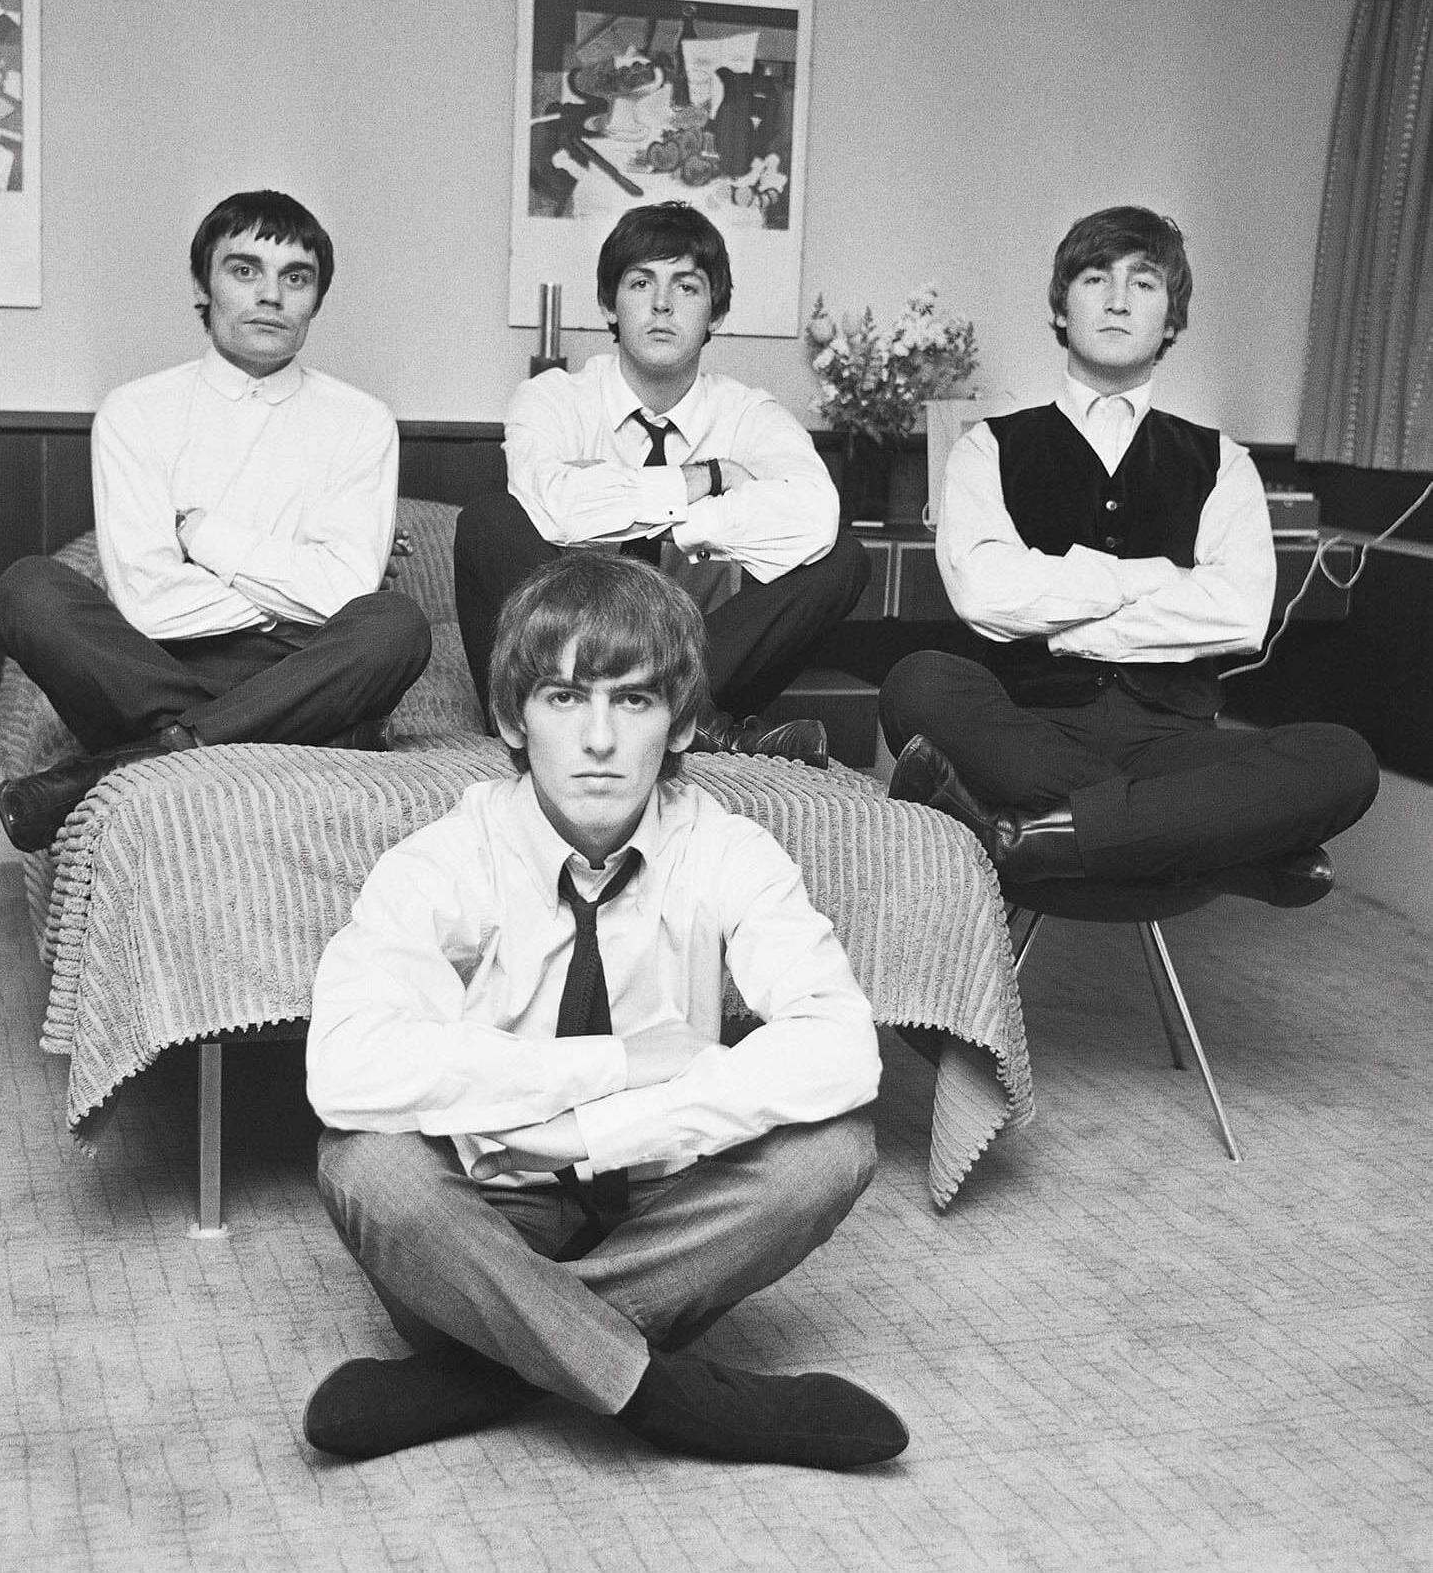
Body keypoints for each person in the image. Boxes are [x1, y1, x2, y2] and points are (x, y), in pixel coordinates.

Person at [302, 551, 906, 1469]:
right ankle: (667, 1395)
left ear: (683, 722)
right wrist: (615, 1066)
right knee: (367, 1165)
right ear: (514, 717)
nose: (598, 739)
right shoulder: (445, 858)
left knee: (831, 1152)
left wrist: (590, 1134)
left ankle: (487, 1369)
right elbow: (345, 1066)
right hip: (492, 1210)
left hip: (665, 1205)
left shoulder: (729, 849)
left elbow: (842, 1049)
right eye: (563, 698)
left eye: (633, 700)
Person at [880, 205, 1378, 896]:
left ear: (1171, 320)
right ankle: (1218, 845)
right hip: (1030, 732)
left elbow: (1238, 614)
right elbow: (987, 597)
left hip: (1175, 742)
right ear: (1062, 308)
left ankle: (1032, 834)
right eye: (1095, 279)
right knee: (918, 682)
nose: (1117, 300)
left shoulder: (1223, 461)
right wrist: (1154, 578)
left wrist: (1058, 619)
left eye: (1143, 284)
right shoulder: (986, 447)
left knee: (1342, 759)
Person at [0, 189, 433, 852]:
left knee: (396, 624)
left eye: (296, 278)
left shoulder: (362, 420)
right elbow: (147, 600)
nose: (271, 296)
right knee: (25, 590)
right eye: (245, 270)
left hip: (305, 665)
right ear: (204, 284)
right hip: (159, 667)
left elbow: (344, 596)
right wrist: (290, 595)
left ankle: (140, 757)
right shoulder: (135, 411)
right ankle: (281, 734)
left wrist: (200, 534)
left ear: (316, 300)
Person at [454, 201, 870, 767]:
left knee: (840, 558)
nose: (662, 304)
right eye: (641, 282)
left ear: (716, 313)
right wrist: (708, 480)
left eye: (687, 287)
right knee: (488, 521)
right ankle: (689, 723)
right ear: (610, 303)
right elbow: (550, 509)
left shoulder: (748, 413)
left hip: (701, 667)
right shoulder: (552, 398)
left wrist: (664, 521)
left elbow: (814, 514)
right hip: (557, 678)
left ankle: (679, 709)